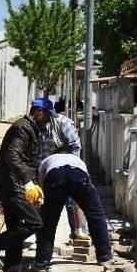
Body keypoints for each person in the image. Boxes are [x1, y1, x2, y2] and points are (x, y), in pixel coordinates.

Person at [0, 102, 50, 272]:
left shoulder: (30, 128)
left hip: (15, 185)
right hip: (12, 185)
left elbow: (27, 159)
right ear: (39, 112)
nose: (48, 120)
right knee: (35, 222)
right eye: (47, 115)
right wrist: (27, 181)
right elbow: (12, 156)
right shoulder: (22, 128)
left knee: (15, 229)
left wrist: (33, 184)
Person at [33, 153, 117, 268]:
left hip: (55, 176)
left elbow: (42, 184)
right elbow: (84, 190)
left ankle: (41, 262)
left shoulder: (45, 161)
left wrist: (44, 204)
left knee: (48, 220)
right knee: (96, 214)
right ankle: (104, 256)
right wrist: (78, 226)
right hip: (78, 174)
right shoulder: (77, 160)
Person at [36, 97, 90, 241]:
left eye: (37, 113)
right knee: (42, 205)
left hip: (64, 170)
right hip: (44, 171)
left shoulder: (62, 123)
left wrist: (69, 169)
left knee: (72, 203)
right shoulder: (35, 126)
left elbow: (75, 146)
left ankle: (78, 234)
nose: (34, 116)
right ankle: (43, 238)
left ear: (44, 113)